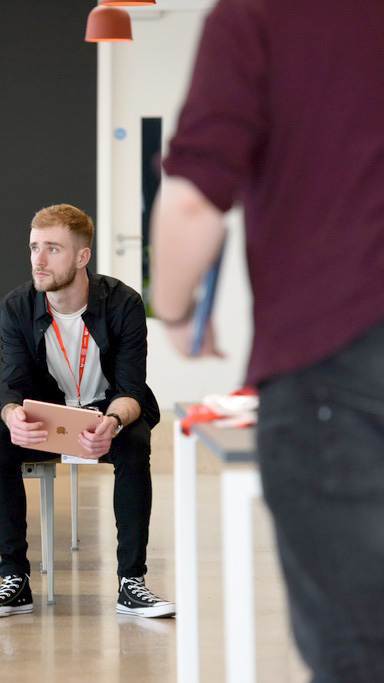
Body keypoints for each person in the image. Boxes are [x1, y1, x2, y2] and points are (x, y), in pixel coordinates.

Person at [151, 1, 384, 679]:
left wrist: (173, 307)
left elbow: (193, 199)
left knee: (360, 652)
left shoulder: (260, 16)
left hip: (334, 369)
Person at [0, 204, 174, 619]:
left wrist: (112, 422)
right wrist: (12, 417)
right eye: (33, 247)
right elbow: (12, 386)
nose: (38, 260)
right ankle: (14, 580)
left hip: (107, 412)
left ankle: (131, 581)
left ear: (83, 257)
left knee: (135, 445)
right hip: (50, 411)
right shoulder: (18, 306)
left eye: (52, 249)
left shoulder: (123, 304)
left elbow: (132, 388)